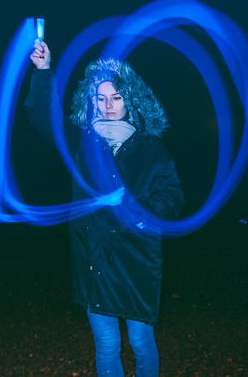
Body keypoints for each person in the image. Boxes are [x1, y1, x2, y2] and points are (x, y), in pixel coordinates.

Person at [26, 39, 183, 376]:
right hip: (94, 259)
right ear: (91, 102)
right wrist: (43, 72)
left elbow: (172, 199)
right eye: (100, 98)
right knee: (107, 345)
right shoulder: (82, 144)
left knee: (140, 341)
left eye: (116, 97)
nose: (108, 106)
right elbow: (43, 118)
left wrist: (134, 210)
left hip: (137, 258)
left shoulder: (151, 150)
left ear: (130, 100)